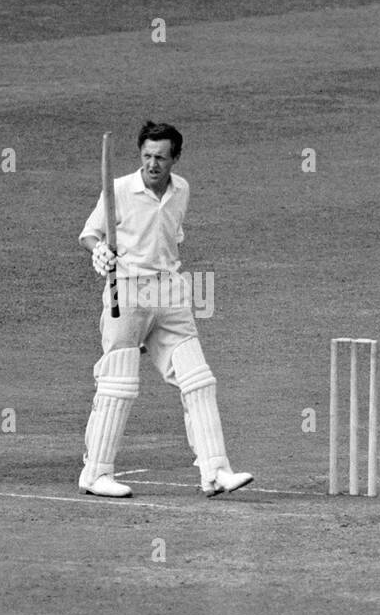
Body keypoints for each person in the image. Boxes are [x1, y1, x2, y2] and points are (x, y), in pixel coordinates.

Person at [78, 121, 254, 499]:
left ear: (175, 158)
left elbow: (170, 236)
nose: (152, 164)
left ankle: (215, 471)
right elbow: (91, 232)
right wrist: (100, 250)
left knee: (198, 380)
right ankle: (95, 474)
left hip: (171, 293)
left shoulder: (182, 190)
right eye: (146, 156)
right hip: (127, 291)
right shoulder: (120, 189)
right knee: (118, 383)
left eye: (160, 157)